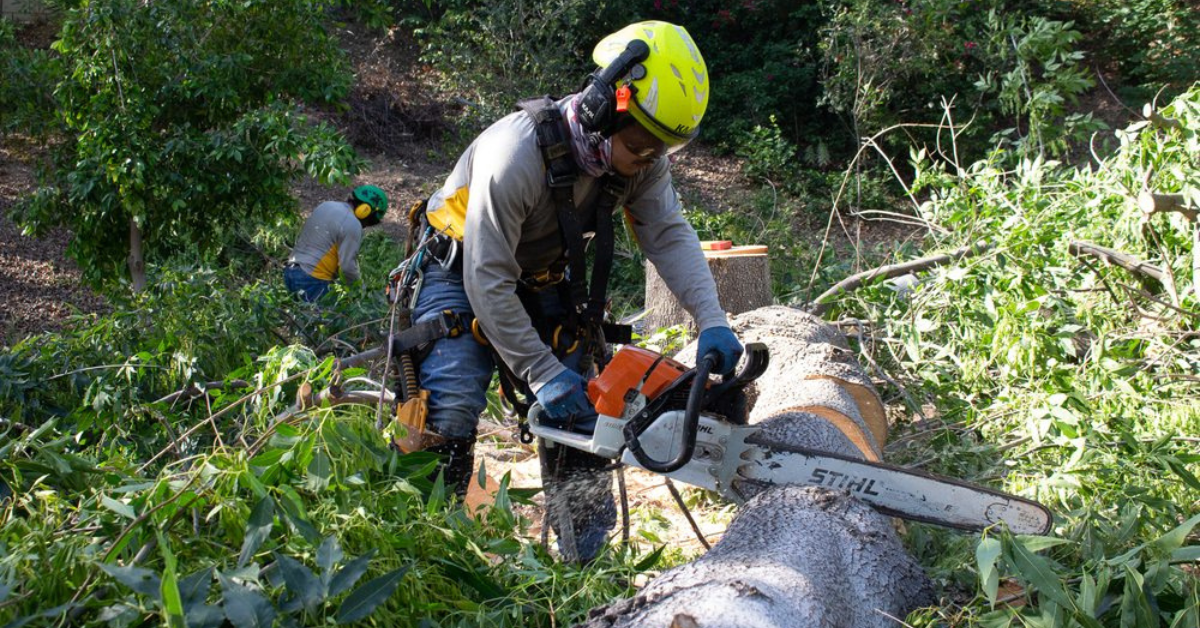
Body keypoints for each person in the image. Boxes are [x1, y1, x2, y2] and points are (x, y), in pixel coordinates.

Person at [401, 21, 742, 562]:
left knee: (588, 410)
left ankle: (585, 562)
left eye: (659, 149)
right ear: (605, 110)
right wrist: (538, 371)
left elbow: (668, 235)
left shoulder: (639, 161)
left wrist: (712, 318)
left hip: (541, 277)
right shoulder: (513, 155)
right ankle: (422, 550)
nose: (648, 158)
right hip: (460, 271)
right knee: (451, 404)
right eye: (640, 145)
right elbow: (486, 279)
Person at [284, 185, 389, 302]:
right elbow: (347, 267)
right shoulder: (352, 223)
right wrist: (361, 292)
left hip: (291, 271)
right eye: (369, 222)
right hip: (312, 279)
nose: (364, 226)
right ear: (365, 211)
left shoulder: (326, 205)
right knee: (325, 318)